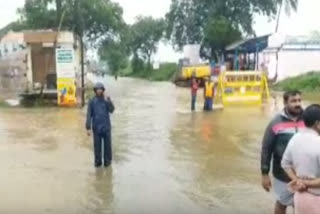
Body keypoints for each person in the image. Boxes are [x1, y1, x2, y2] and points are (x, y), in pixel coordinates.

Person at [260, 90, 304, 214]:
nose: (297, 104)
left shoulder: (308, 120)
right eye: (293, 101)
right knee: (281, 203)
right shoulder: (275, 123)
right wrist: (264, 173)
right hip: (282, 174)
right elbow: (266, 148)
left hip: (305, 175)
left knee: (300, 205)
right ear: (285, 103)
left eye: (299, 100)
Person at [282, 104, 320, 214]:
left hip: (300, 198)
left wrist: (297, 180)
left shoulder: (295, 138)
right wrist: (304, 182)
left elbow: (285, 164)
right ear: (317, 124)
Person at [86, 82, 115, 168]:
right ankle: (98, 164)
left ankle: (108, 163)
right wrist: (88, 127)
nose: (99, 91)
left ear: (103, 90)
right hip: (96, 128)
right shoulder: (92, 101)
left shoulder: (106, 99)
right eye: (97, 89)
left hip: (106, 128)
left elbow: (112, 110)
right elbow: (89, 115)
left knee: (108, 147)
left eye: (101, 89)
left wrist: (108, 101)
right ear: (95, 91)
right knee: (97, 148)